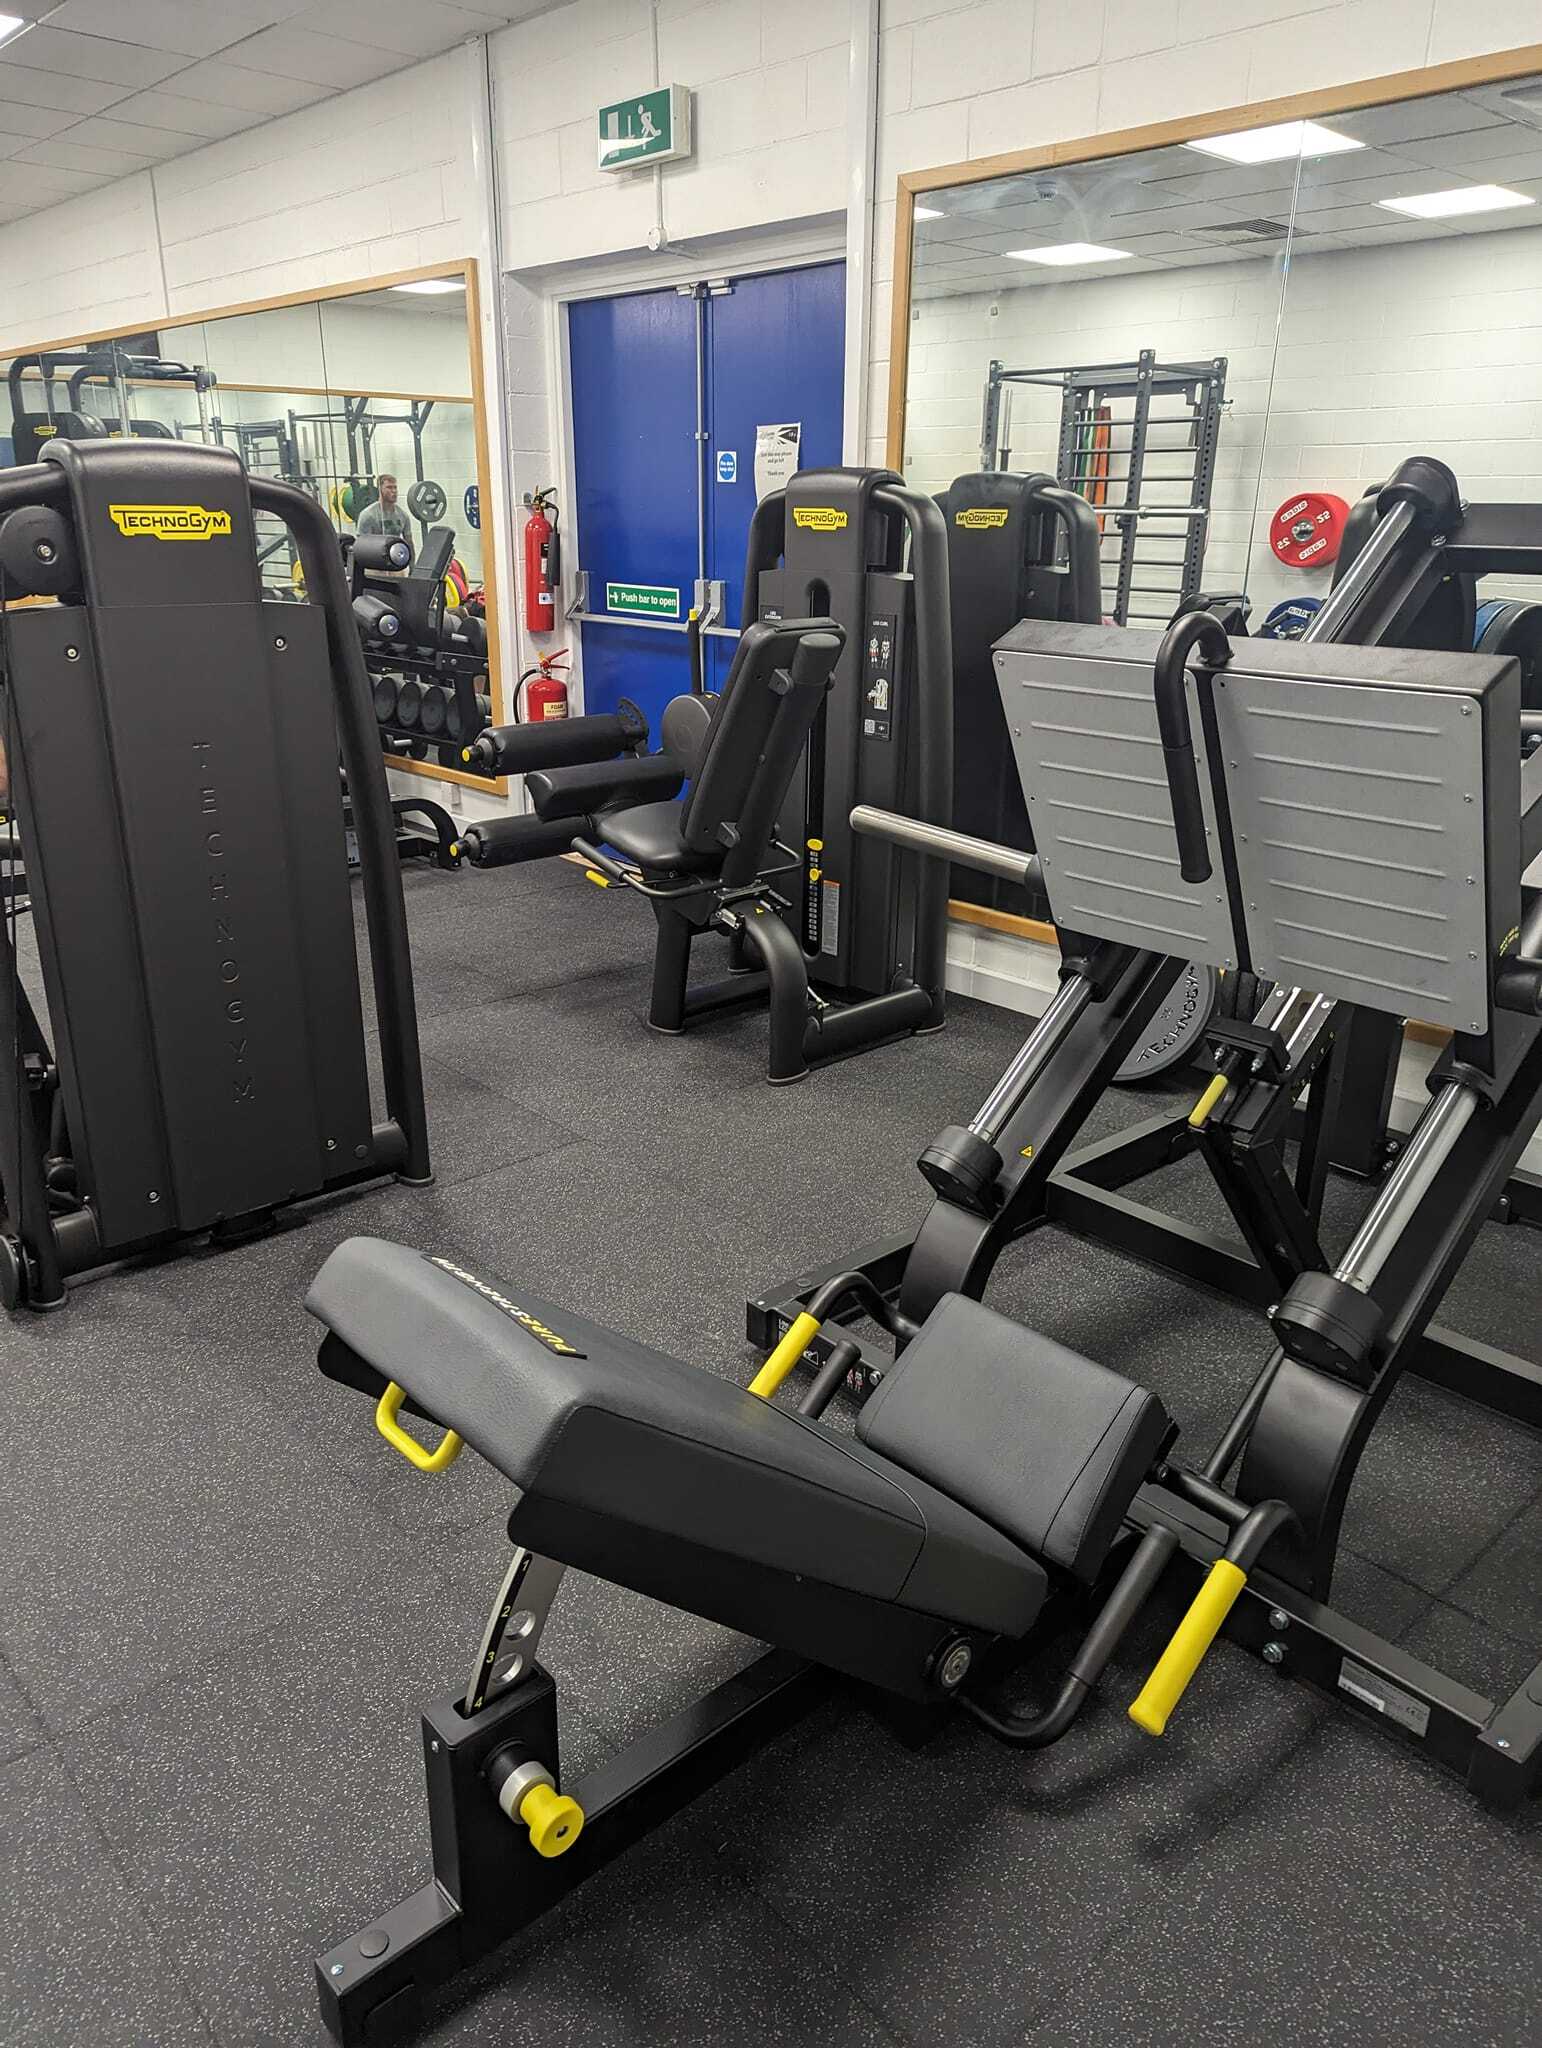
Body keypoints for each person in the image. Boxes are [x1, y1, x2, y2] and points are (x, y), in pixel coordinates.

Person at [357, 473, 412, 541]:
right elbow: (362, 545)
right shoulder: (368, 515)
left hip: (395, 550)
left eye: (395, 487)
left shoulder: (403, 515)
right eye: (389, 487)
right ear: (380, 490)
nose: (394, 491)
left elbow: (409, 541)